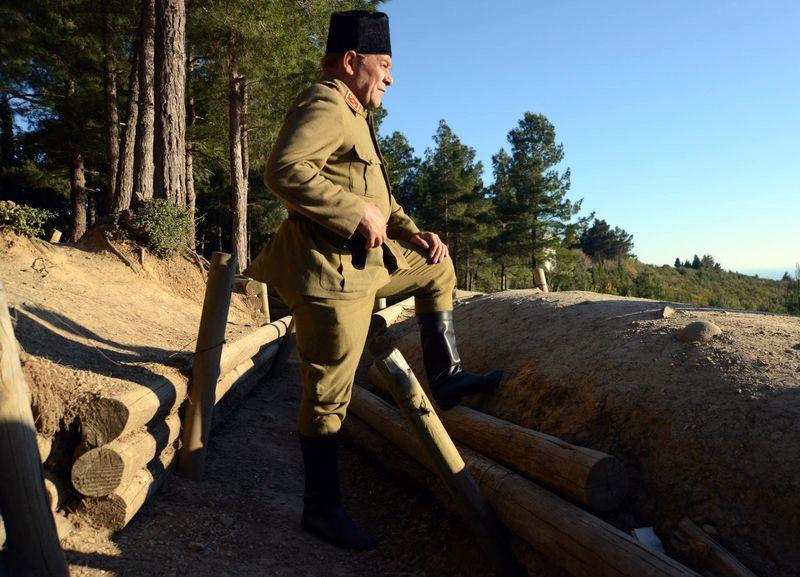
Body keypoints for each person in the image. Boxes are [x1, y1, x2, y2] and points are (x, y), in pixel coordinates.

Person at [245, 10, 502, 550]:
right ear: (350, 61)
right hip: (331, 277)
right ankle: (321, 509)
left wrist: (414, 234)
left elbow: (381, 202)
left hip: (367, 268)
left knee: (440, 266)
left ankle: (447, 375)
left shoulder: (357, 114)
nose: (390, 77)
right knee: (327, 395)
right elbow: (284, 170)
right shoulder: (326, 103)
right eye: (383, 65)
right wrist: (351, 213)